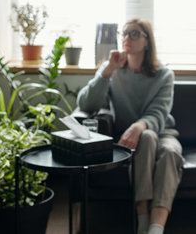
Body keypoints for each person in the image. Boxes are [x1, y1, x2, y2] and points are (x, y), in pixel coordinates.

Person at [77, 18, 184, 234]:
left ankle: (155, 228)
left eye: (134, 34)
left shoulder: (164, 75)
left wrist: (139, 126)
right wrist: (106, 71)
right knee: (145, 138)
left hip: (161, 131)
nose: (127, 38)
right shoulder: (115, 71)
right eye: (124, 33)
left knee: (170, 151)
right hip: (129, 138)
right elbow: (85, 104)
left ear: (147, 41)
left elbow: (158, 113)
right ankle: (142, 221)